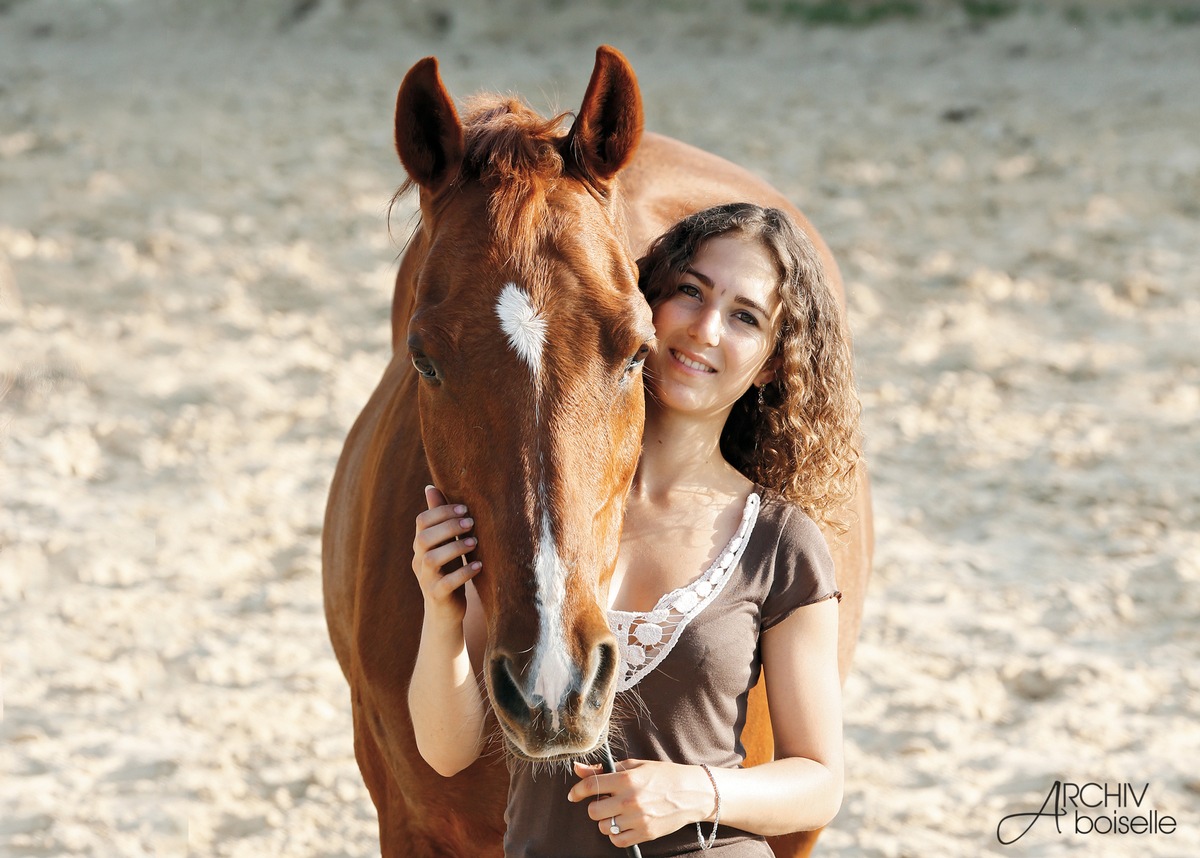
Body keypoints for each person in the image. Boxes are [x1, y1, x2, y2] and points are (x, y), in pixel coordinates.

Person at [408, 202, 863, 856]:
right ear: (646, 307)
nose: (706, 329)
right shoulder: (543, 510)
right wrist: (441, 611)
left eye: (744, 317)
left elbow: (819, 782)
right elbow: (446, 753)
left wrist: (696, 792)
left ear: (769, 361)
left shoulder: (781, 542)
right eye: (690, 292)